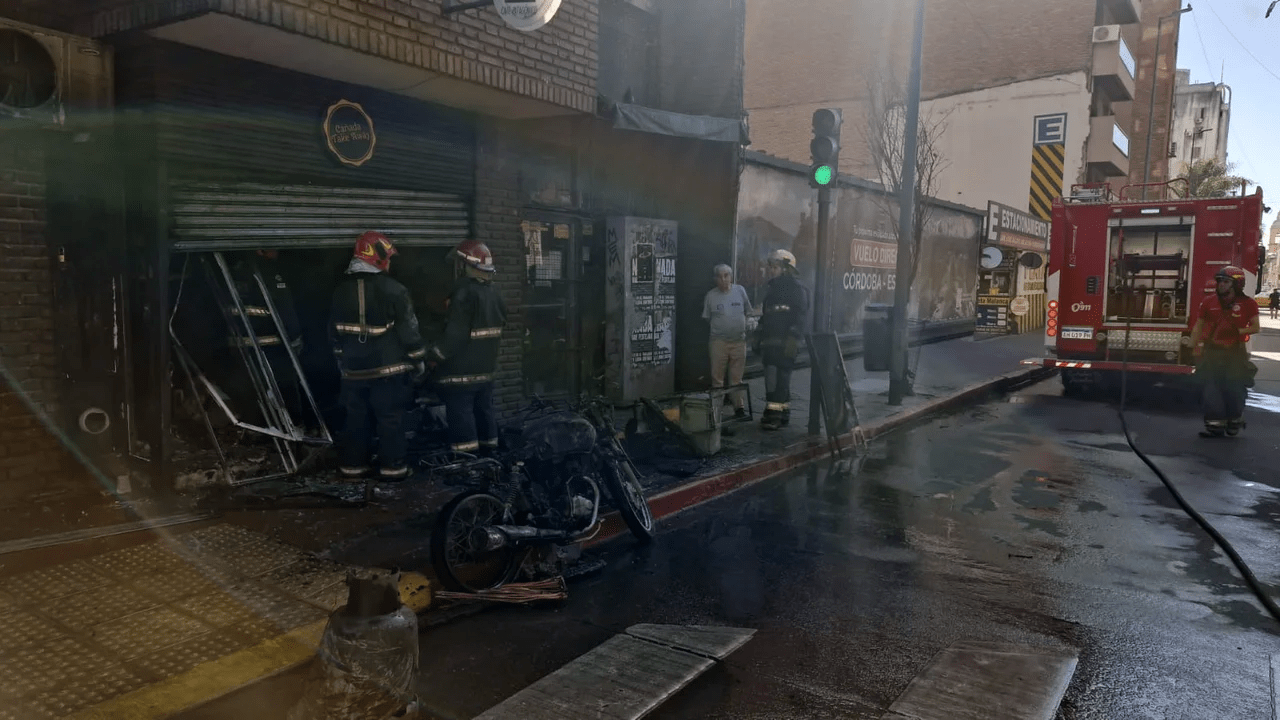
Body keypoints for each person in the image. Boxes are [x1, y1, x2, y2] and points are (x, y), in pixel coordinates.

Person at [329, 231, 427, 480]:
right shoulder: (395, 290)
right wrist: (418, 359)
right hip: (388, 372)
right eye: (389, 258)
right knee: (390, 421)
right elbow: (409, 332)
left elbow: (333, 332)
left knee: (355, 420)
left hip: (353, 372)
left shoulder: (339, 291)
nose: (391, 263)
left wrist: (343, 359)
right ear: (379, 258)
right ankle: (393, 468)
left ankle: (353, 467)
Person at [428, 240, 507, 456]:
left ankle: (468, 463)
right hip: (486, 370)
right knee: (485, 412)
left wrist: (434, 356)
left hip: (460, 373)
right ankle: (491, 456)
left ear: (465, 265)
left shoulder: (463, 293)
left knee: (462, 416)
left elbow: (455, 335)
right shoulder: (496, 293)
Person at [226, 250, 306, 425]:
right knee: (285, 392)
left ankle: (256, 434)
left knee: (250, 396)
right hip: (271, 348)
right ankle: (293, 431)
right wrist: (295, 339)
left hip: (239, 348)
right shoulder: (269, 272)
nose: (277, 252)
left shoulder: (231, 272)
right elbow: (285, 312)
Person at [1188, 265, 1259, 438]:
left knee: (1234, 389)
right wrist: (1192, 345)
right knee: (1211, 389)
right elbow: (1199, 325)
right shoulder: (1208, 302)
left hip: (1235, 353)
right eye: (1219, 281)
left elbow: (1256, 327)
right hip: (1212, 353)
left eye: (1225, 282)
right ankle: (1215, 426)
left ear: (1237, 284)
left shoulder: (1248, 303)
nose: (1220, 284)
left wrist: (1237, 332)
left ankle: (1234, 420)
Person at [754, 249, 809, 431]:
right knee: (773, 377)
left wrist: (793, 338)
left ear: (786, 269)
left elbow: (800, 316)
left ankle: (775, 416)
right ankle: (780, 412)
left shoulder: (796, 289)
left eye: (775, 267)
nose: (771, 270)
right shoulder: (772, 288)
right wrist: (758, 335)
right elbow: (767, 315)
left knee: (779, 379)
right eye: (771, 267)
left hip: (785, 342)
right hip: (770, 341)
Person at [703, 264, 752, 419]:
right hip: (719, 342)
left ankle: (739, 408)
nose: (723, 279)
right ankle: (717, 410)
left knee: (736, 378)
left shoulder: (740, 291)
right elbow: (707, 318)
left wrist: (749, 322)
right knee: (717, 378)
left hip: (739, 342)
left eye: (726, 275)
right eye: (719, 276)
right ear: (715, 278)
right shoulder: (710, 296)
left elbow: (748, 310)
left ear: (731, 277)